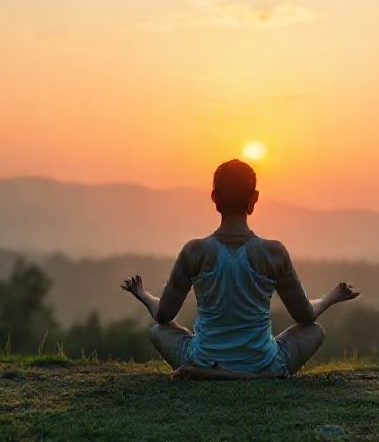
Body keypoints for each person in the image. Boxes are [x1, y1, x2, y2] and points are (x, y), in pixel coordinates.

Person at [121, 159, 360, 379]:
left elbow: (163, 315)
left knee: (159, 331)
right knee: (315, 332)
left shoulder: (194, 251)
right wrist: (332, 297)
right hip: (264, 364)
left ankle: (213, 371)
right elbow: (305, 317)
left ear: (214, 198)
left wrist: (142, 294)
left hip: (202, 360)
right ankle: (253, 373)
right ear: (253, 199)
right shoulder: (273, 253)